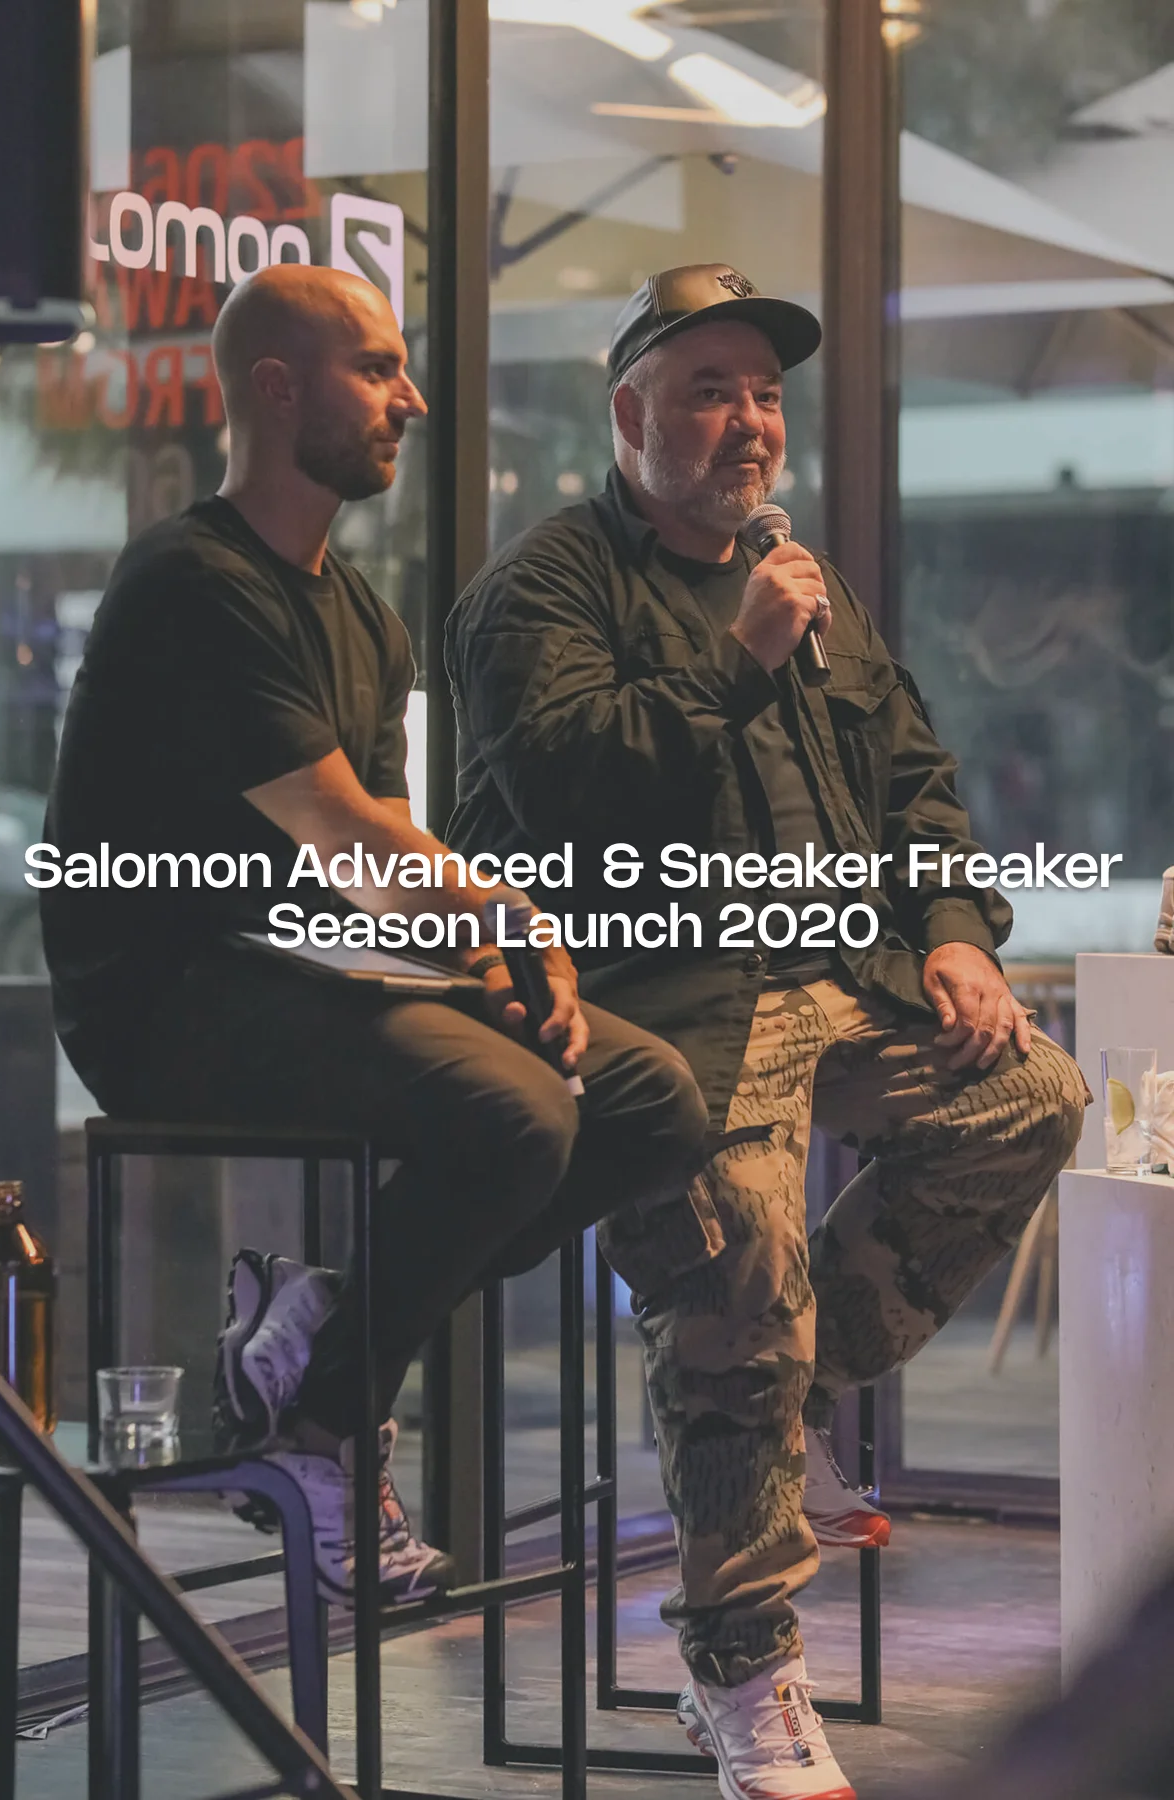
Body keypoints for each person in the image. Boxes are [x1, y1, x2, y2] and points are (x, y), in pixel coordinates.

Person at [444, 263, 1089, 1799]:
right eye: (709, 391)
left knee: (1034, 1097)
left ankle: (775, 1413)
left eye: (765, 393)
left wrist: (946, 932)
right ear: (628, 415)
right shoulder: (544, 589)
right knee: (741, 1262)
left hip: (837, 986)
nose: (748, 424)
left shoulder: (808, 587)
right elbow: (569, 799)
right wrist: (733, 657)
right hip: (659, 1016)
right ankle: (743, 1677)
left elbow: (919, 787)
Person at [41, 263, 709, 1608]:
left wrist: (518, 965)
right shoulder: (191, 580)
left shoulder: (364, 616)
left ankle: (322, 1332)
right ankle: (324, 1431)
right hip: (167, 999)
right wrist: (508, 927)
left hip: (308, 974)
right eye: (377, 367)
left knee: (648, 1095)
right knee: (520, 1117)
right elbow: (352, 838)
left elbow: (386, 875)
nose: (409, 396)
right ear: (276, 387)